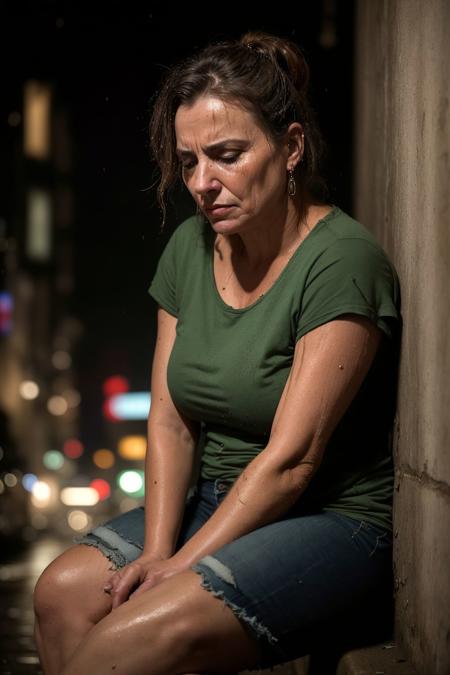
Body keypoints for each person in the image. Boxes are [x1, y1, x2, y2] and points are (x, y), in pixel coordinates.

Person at [33, 31, 401, 675]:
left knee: (127, 640)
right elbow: (171, 419)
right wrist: (155, 551)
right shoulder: (188, 247)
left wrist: (180, 567)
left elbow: (292, 461)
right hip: (215, 493)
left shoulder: (343, 260)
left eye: (227, 155)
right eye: (189, 161)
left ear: (290, 147)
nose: (203, 183)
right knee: (60, 594)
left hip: (331, 520)